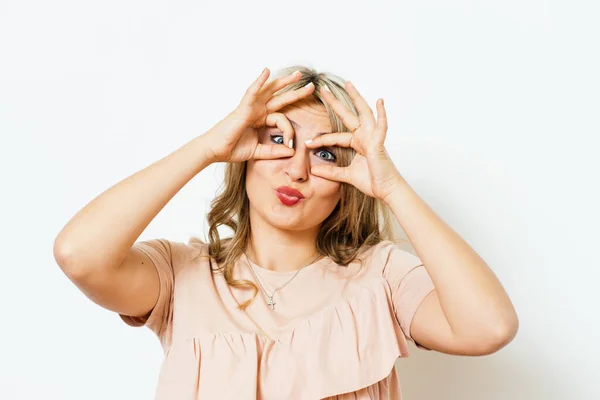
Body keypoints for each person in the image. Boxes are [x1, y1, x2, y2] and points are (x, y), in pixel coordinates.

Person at [54, 65, 519, 399]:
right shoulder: (182, 276)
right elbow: (79, 254)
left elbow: (489, 328)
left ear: (348, 180)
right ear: (246, 155)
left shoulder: (382, 279)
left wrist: (392, 188)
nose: (296, 168)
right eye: (278, 140)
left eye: (325, 154)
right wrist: (206, 148)